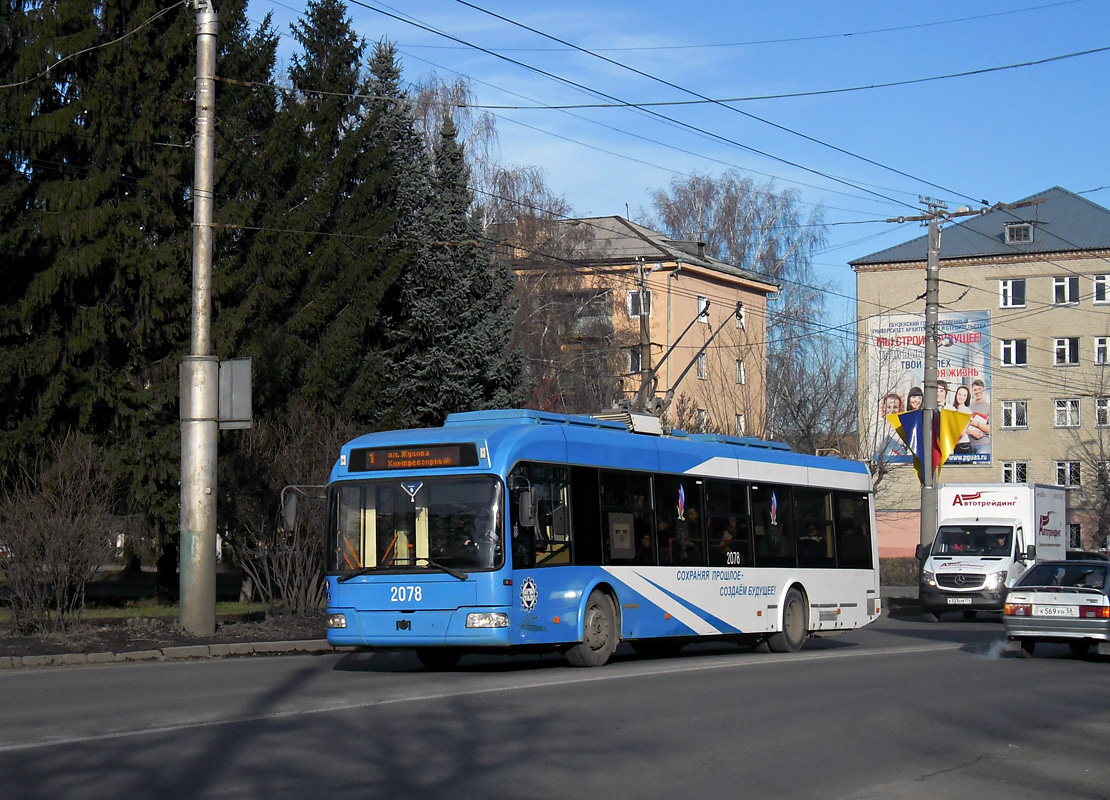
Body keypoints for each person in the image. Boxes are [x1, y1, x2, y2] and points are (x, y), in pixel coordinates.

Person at [967, 378, 991, 454]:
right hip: (969, 444)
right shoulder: (968, 407)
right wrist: (971, 432)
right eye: (975, 390)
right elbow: (962, 428)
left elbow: (990, 429)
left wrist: (975, 423)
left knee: (982, 465)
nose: (977, 392)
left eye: (979, 389)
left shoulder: (989, 407)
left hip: (984, 444)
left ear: (983, 389)